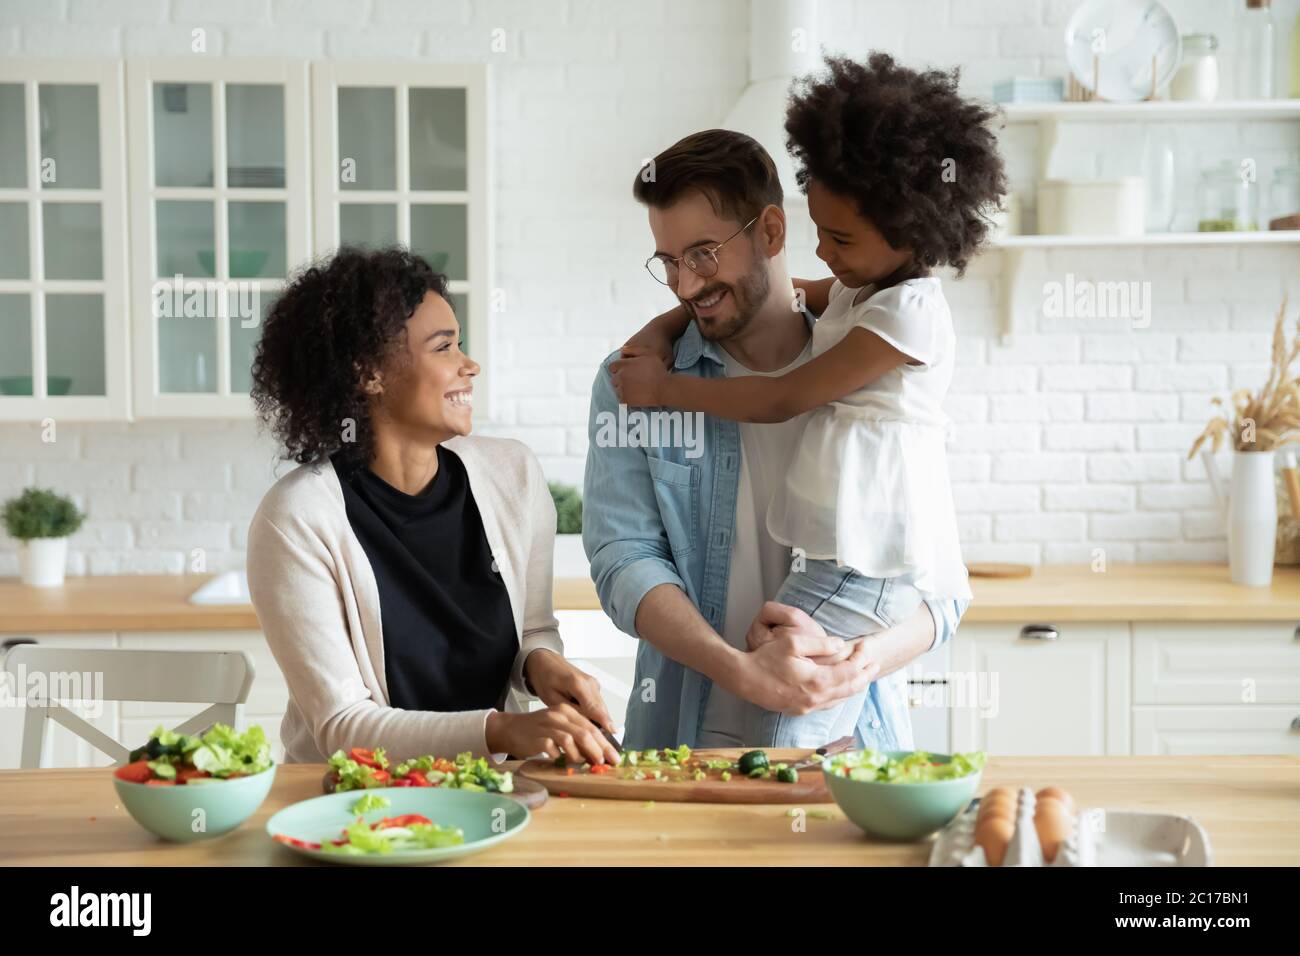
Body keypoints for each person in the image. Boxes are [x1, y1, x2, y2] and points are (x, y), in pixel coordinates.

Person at [584, 123, 972, 751]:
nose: (686, 284)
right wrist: (739, 670)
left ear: (770, 231)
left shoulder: (873, 363)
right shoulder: (633, 381)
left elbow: (942, 591)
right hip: (686, 748)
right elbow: (623, 560)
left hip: (849, 748)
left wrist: (853, 663)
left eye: (703, 255)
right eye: (669, 263)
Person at [247, 246, 619, 766]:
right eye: (444, 348)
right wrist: (505, 731)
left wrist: (543, 667)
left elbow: (531, 629)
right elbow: (342, 727)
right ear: (368, 373)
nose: (470, 365)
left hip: (494, 793)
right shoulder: (297, 518)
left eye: (460, 345)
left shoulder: (513, 476)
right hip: (351, 807)